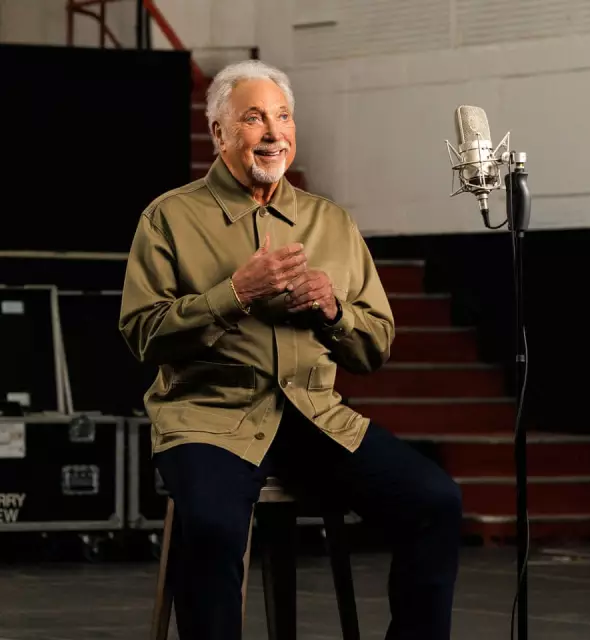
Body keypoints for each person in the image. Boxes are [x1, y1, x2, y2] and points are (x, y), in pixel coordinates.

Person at [118, 59, 462, 640]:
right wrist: (235, 294)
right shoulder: (168, 218)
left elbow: (375, 346)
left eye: (283, 117)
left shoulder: (332, 223)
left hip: (314, 417)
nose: (274, 133)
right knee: (212, 530)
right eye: (254, 118)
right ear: (219, 132)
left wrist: (333, 311)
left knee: (435, 501)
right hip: (209, 418)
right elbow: (142, 333)